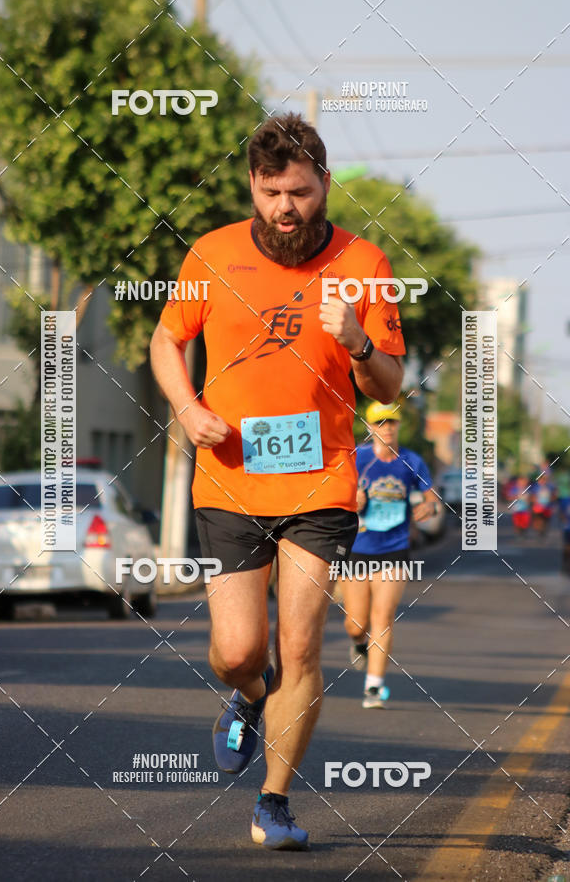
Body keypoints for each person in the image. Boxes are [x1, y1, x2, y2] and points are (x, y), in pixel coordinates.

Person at [150, 113, 405, 850]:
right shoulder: (213, 254)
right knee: (238, 650)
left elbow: (389, 382)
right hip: (229, 479)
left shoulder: (364, 263)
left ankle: (274, 801)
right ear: (252, 188)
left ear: (323, 184)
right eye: (270, 193)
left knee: (301, 647)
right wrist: (187, 407)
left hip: (321, 480)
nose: (283, 208)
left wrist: (357, 339)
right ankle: (245, 693)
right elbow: (168, 340)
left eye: (297, 191)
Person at [340, 402, 438, 708]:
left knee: (382, 618)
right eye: (380, 423)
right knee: (356, 624)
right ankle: (359, 644)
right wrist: (350, 500)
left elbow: (430, 496)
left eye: (392, 422)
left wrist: (427, 507)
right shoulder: (357, 458)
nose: (387, 428)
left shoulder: (411, 461)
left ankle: (374, 687)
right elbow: (334, 493)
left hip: (394, 549)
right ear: (369, 428)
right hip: (357, 548)